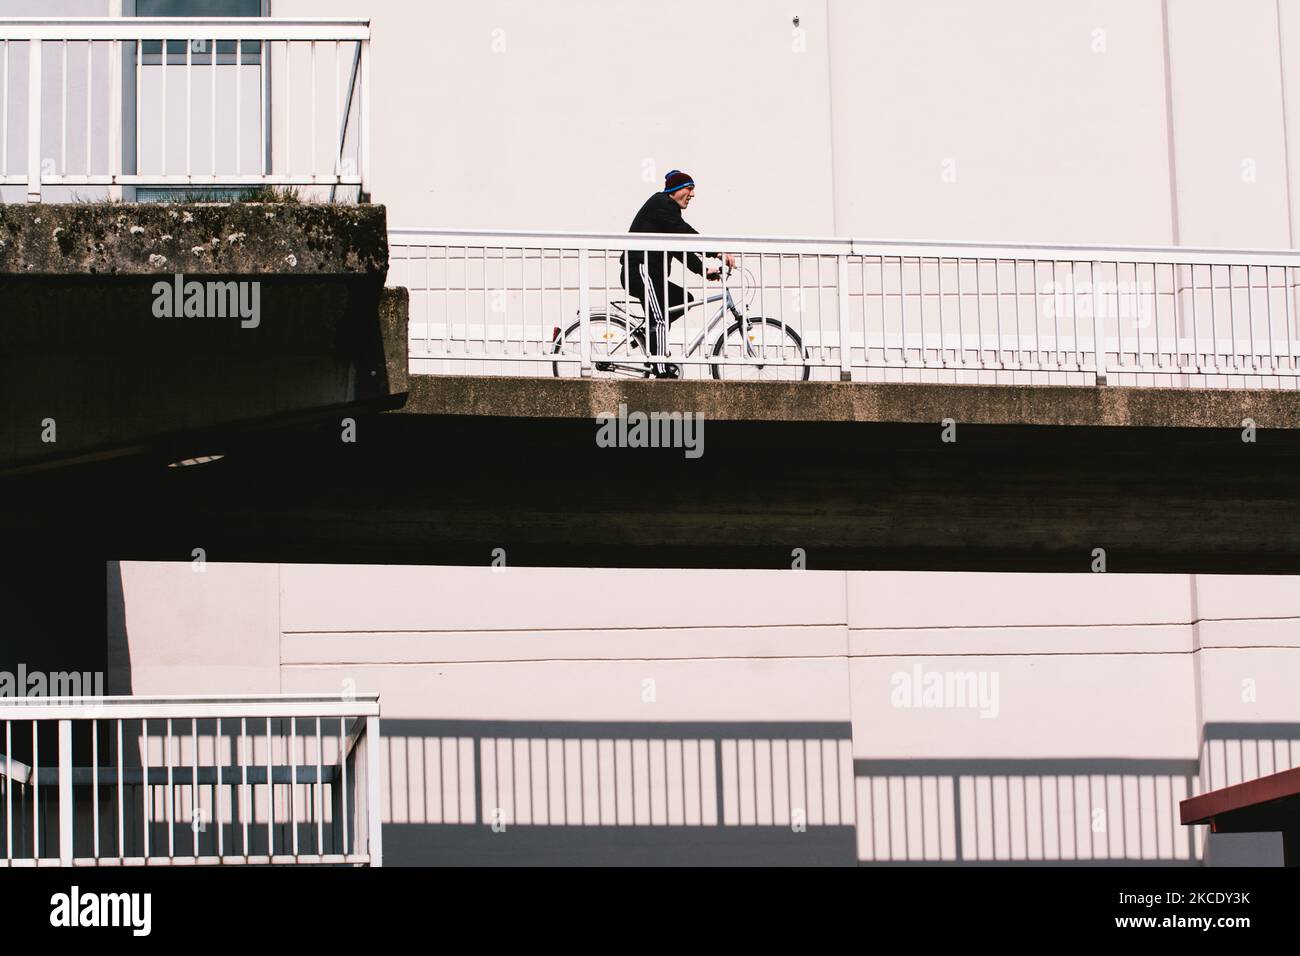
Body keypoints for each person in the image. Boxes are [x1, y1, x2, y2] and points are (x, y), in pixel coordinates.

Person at [621, 170, 735, 378]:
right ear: (674, 190)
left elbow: (679, 249)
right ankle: (661, 370)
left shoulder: (668, 212)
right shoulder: (661, 204)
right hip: (641, 270)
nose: (692, 195)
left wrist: (703, 270)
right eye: (689, 189)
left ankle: (648, 333)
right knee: (660, 319)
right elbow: (685, 233)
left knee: (682, 299)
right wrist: (717, 251)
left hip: (652, 275)